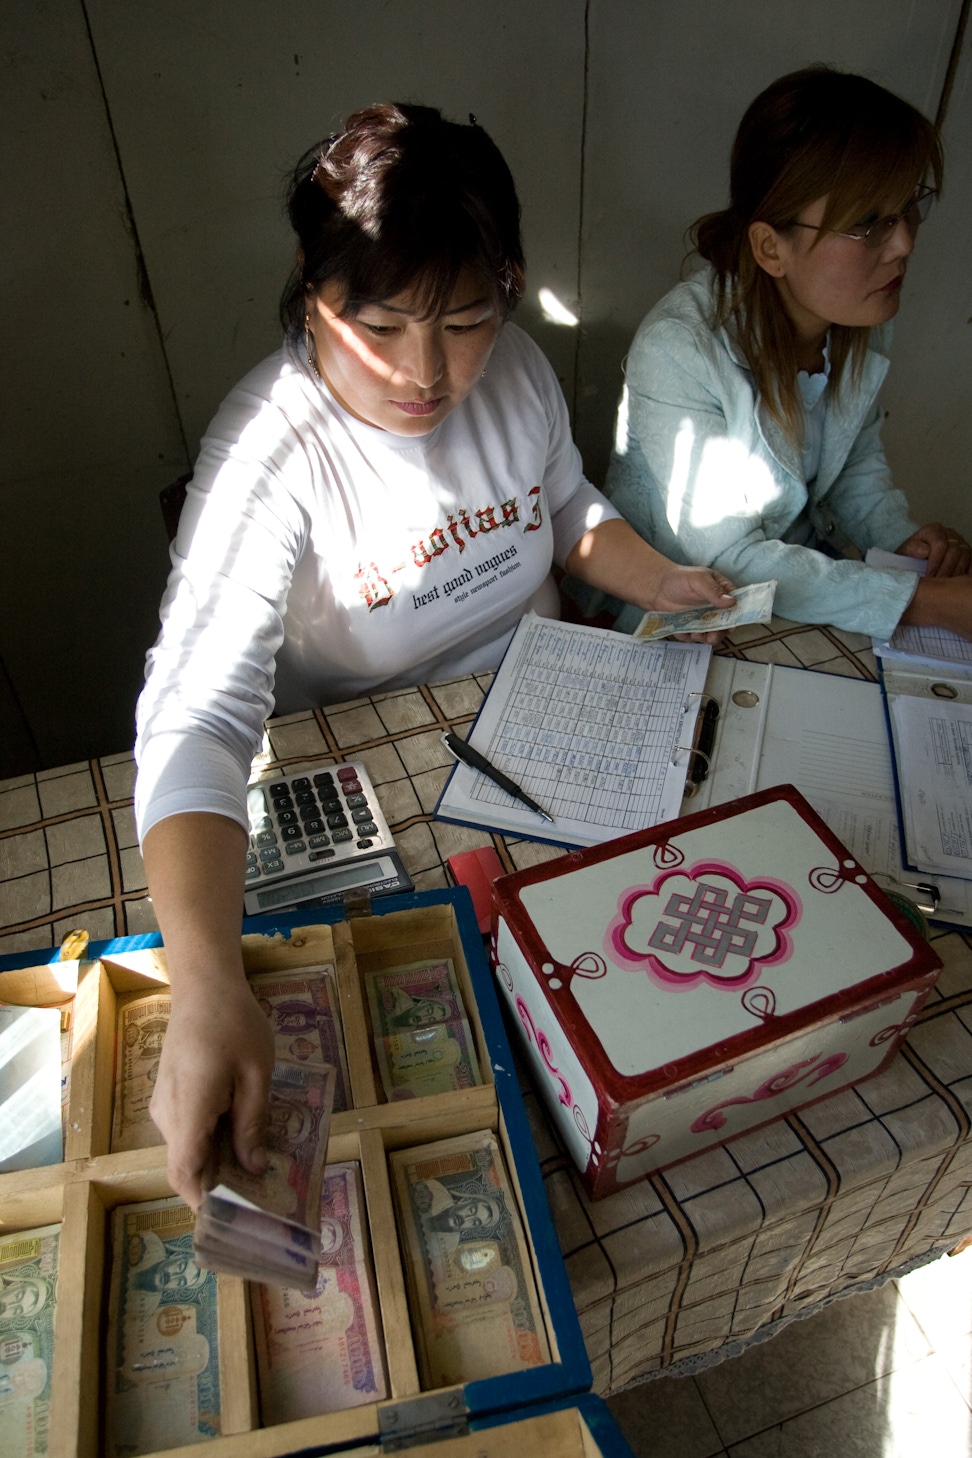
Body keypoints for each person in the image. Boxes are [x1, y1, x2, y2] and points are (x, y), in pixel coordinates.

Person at [135, 103, 736, 1208]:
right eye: (380, 322)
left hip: (557, 719)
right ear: (313, 289)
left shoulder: (514, 376)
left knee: (674, 979)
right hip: (396, 772)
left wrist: (655, 577)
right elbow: (195, 718)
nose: (426, 373)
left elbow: (564, 506)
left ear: (505, 284)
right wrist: (208, 981)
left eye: (464, 320)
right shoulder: (271, 454)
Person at [595, 67, 972, 640]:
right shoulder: (680, 348)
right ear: (771, 246)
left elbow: (853, 470)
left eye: (907, 209)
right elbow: (732, 561)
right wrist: (927, 601)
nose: (903, 244)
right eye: (869, 223)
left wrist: (903, 542)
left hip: (804, 588)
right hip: (690, 612)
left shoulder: (858, 318)